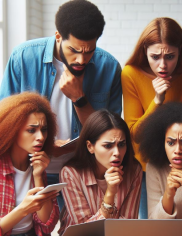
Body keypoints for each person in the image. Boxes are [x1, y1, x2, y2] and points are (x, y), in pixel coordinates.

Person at [0, 0, 122, 210]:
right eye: (74, 50)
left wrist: (79, 98)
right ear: (58, 35)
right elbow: (5, 122)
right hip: (29, 170)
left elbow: (109, 135)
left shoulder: (108, 68)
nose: (81, 59)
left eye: (89, 51)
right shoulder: (23, 58)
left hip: (82, 172)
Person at [122, 17, 182, 219]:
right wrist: (157, 100)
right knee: (151, 229)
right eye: (155, 57)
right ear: (145, 51)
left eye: (170, 56)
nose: (162, 65)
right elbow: (135, 135)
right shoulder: (130, 73)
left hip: (180, 163)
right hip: (144, 167)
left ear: (180, 50)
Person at [0, 92, 59, 236]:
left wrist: (38, 176)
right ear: (12, 128)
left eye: (44, 130)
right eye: (31, 130)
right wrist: (21, 209)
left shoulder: (37, 165)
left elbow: (46, 225)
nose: (40, 137)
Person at [58, 109, 142, 236]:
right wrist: (110, 194)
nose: (117, 153)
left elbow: (128, 225)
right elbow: (84, 233)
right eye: (108, 146)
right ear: (90, 147)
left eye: (121, 144)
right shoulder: (71, 173)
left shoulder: (134, 170)